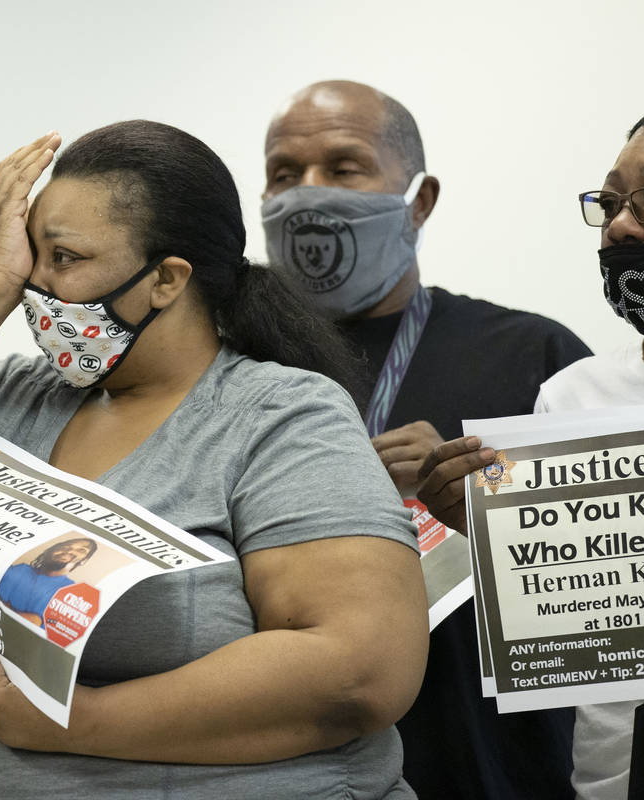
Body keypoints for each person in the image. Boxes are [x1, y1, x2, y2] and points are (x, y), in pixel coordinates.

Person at [0, 121, 429, 798]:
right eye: (32, 254)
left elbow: (361, 669)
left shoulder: (280, 415)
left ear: (166, 280)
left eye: (63, 258)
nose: (37, 281)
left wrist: (79, 723)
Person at [261, 80, 591, 800]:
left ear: (419, 199)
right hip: (293, 767)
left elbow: (609, 577)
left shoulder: (534, 356)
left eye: (344, 168)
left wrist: (480, 503)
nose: (307, 194)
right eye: (284, 174)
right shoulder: (231, 373)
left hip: (497, 766)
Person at [419, 100, 644, 799]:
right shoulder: (573, 395)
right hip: (615, 777)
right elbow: (569, 622)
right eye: (612, 202)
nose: (622, 225)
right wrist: (492, 533)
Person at [0, 538, 97, 627]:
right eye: (65, 547)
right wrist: (34, 619)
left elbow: (37, 623)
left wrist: (9, 608)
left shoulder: (73, 593)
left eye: (81, 550)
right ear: (52, 550)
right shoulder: (21, 570)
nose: (69, 550)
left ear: (84, 560)